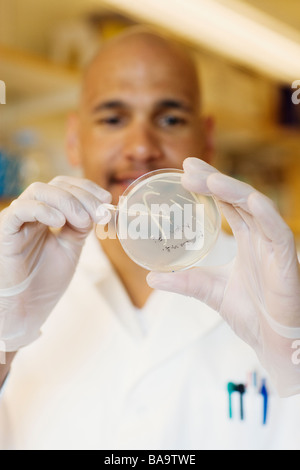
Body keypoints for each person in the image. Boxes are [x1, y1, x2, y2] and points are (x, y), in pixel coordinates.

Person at [0, 27, 299, 450]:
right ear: (73, 139)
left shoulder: (279, 285)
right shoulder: (11, 278)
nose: (141, 148)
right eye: (113, 119)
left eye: (170, 119)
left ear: (207, 138)